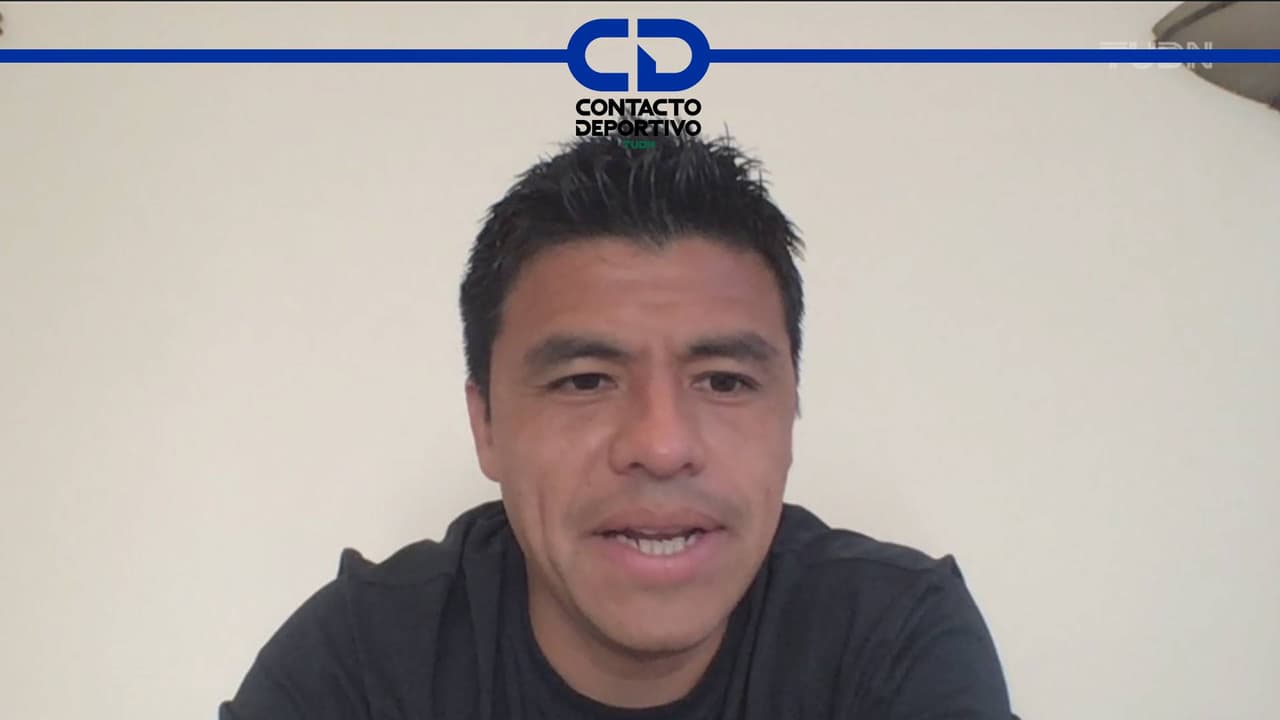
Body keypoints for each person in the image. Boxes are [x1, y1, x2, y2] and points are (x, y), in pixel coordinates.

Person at [218, 128, 1014, 719]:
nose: (662, 446)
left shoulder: (892, 637)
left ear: (791, 414)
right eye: (586, 381)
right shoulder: (362, 660)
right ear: (486, 425)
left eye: (725, 381)